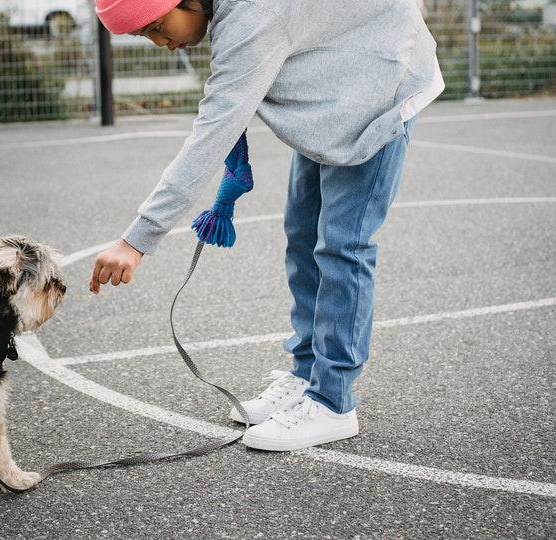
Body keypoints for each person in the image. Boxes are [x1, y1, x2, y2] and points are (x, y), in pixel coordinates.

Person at [88, 0, 445, 451]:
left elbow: (214, 129)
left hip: (379, 90)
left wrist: (138, 239)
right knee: (303, 239)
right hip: (335, 88)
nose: (161, 42)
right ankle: (305, 374)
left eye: (157, 26)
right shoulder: (235, 12)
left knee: (342, 248)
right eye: (146, 37)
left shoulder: (254, 18)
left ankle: (333, 402)